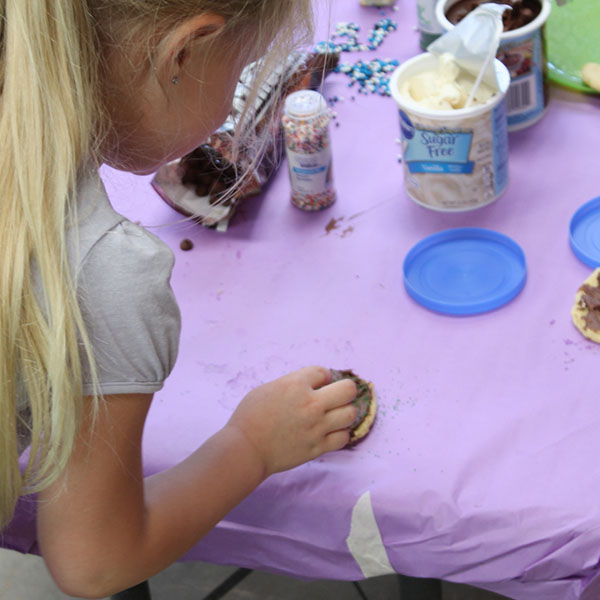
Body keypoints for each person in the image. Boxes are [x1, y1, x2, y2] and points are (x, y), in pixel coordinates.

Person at [0, 1, 358, 597]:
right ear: (182, 55)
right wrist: (251, 445)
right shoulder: (101, 274)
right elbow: (96, 561)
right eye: (242, 67)